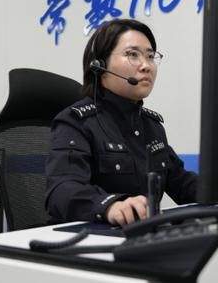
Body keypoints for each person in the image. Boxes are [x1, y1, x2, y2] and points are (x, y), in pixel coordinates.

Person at [44, 19, 198, 226]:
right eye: (132, 54)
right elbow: (61, 191)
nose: (146, 66)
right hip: (92, 238)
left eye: (150, 56)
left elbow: (182, 184)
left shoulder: (151, 126)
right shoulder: (75, 122)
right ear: (100, 65)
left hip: (143, 237)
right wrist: (110, 206)